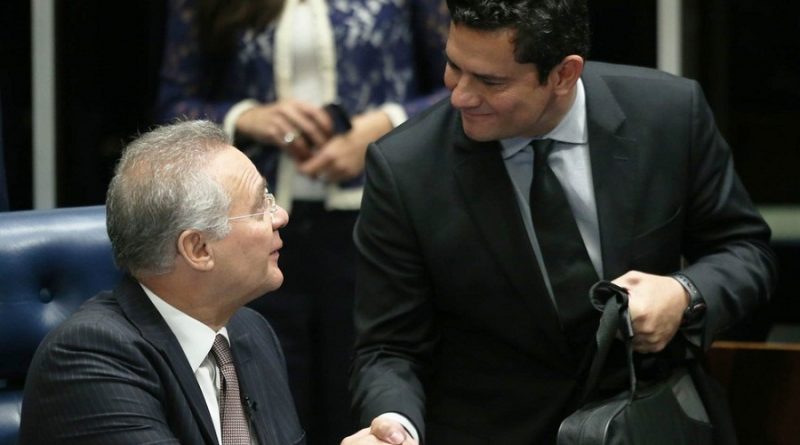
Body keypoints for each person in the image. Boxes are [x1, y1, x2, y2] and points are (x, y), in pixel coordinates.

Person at [343, 0, 778, 443]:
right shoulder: (406, 167)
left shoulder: (667, 114)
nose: (460, 96)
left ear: (564, 74)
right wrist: (395, 425)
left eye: (491, 81)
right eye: (454, 66)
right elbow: (389, 346)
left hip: (650, 421)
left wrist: (684, 293)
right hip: (492, 429)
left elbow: (745, 251)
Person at [156, 1, 449, 442]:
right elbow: (171, 106)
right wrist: (246, 117)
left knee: (365, 387)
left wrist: (382, 127)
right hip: (253, 228)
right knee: (267, 397)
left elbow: (464, 88)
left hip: (374, 223)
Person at [18, 120, 303, 444]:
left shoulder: (251, 332)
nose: (280, 216)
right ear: (198, 249)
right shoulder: (88, 357)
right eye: (258, 208)